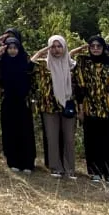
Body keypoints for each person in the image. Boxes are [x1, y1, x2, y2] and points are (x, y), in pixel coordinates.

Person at [74, 36, 109, 185]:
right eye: (92, 46)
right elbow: (79, 87)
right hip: (89, 108)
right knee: (92, 141)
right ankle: (95, 172)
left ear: (104, 47)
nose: (95, 48)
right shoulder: (84, 63)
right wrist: (80, 109)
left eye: (99, 46)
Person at [32, 35, 79, 178]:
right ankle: (55, 167)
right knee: (52, 137)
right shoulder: (43, 65)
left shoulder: (73, 65)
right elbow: (28, 65)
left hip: (68, 105)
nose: (56, 50)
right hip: (49, 106)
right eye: (53, 46)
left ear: (64, 47)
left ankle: (69, 168)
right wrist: (42, 52)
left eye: (59, 46)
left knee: (69, 138)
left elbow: (81, 86)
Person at [0, 35, 37, 172]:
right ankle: (13, 161)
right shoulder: (2, 63)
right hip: (8, 102)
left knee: (25, 132)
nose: (12, 51)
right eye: (9, 48)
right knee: (10, 131)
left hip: (23, 102)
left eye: (15, 48)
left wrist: (33, 100)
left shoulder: (25, 62)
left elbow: (33, 83)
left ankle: (27, 163)